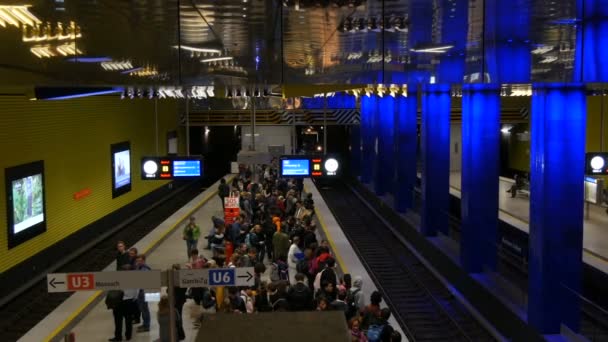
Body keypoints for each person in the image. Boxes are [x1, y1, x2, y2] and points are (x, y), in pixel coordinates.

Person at [109, 264, 138, 342]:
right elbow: (137, 291)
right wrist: (134, 299)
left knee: (118, 320)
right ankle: (128, 336)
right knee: (128, 320)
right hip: (129, 302)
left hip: (119, 302)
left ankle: (118, 337)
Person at [135, 255, 151, 333]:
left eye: (140, 261)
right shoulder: (139, 267)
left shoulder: (145, 269)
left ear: (144, 260)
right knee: (142, 309)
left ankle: (147, 325)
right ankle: (145, 323)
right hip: (140, 291)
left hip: (144, 292)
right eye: (137, 261)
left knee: (144, 309)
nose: (138, 262)